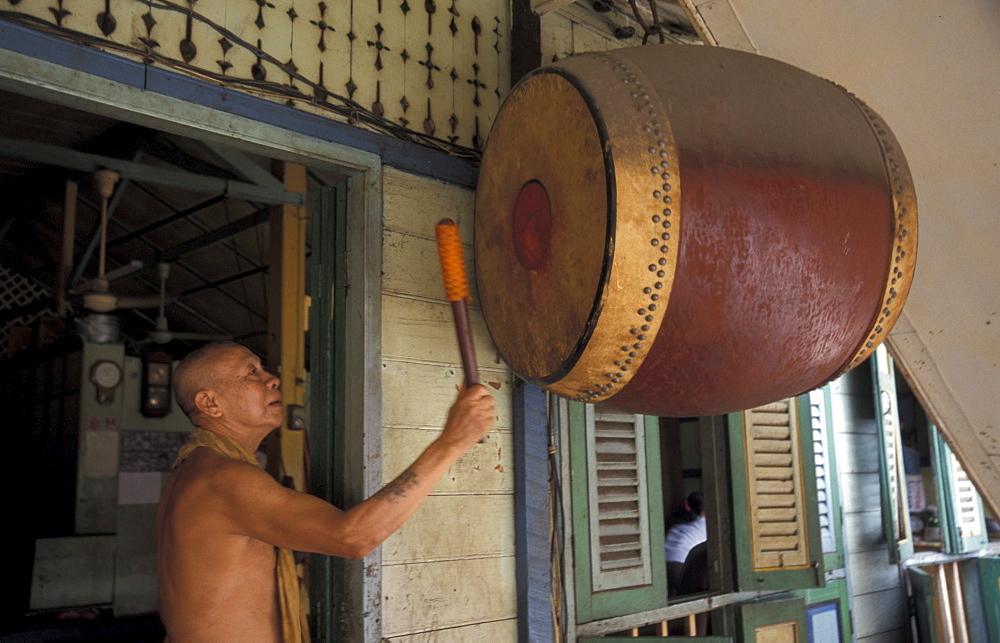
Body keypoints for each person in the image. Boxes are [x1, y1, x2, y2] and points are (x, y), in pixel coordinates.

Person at [156, 342, 495, 642]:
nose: (271, 378)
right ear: (210, 403)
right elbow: (353, 537)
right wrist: (452, 441)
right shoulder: (224, 479)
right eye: (250, 372)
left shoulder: (193, 472)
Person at [664, 491, 707, 596]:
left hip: (664, 571)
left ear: (687, 505)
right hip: (685, 571)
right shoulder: (710, 527)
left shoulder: (676, 529)